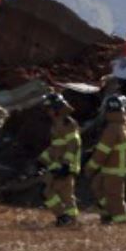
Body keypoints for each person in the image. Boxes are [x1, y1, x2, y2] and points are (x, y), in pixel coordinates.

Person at [84, 95, 126, 225]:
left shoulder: (112, 129)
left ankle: (121, 223)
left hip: (115, 170)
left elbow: (102, 153)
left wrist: (89, 168)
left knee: (114, 197)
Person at [37, 92, 82, 227]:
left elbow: (73, 144)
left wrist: (66, 164)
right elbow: (56, 146)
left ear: (56, 108)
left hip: (65, 165)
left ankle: (68, 220)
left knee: (62, 194)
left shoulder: (67, 123)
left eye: (49, 109)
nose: (47, 112)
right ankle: (66, 218)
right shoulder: (56, 124)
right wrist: (42, 159)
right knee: (53, 192)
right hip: (58, 164)